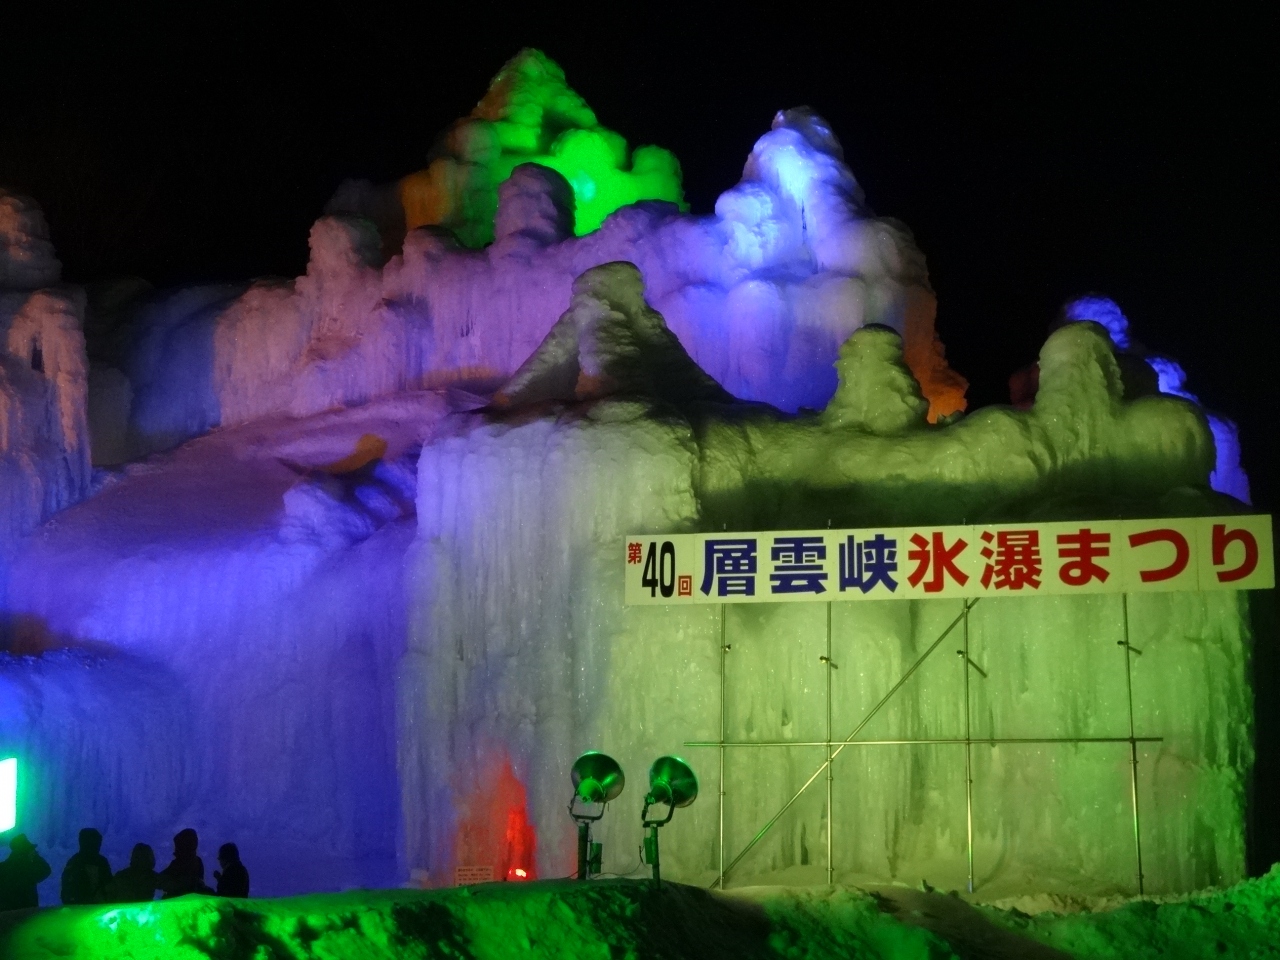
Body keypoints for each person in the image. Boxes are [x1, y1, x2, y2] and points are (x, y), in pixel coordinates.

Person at [61, 827, 113, 904]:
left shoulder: (101, 862)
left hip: (92, 908)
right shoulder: (75, 863)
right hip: (84, 909)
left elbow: (109, 885)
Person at [0, 834, 52, 911]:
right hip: (27, 915)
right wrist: (36, 856)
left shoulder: (3, 867)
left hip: (6, 915)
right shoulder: (28, 869)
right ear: (26, 851)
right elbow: (46, 870)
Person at [158, 828, 207, 898]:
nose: (175, 849)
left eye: (177, 846)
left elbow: (160, 879)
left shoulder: (179, 864)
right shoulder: (197, 861)